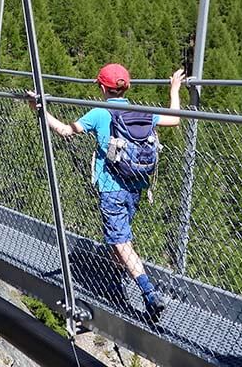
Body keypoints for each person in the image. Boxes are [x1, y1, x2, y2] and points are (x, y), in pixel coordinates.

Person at [28, 63, 184, 316]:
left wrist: (39, 109)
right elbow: (175, 119)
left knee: (122, 242)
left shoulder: (99, 113)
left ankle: (148, 293)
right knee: (117, 238)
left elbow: (65, 131)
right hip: (136, 185)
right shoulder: (141, 111)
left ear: (102, 87)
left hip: (111, 188)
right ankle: (114, 278)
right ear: (128, 87)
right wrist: (174, 89)